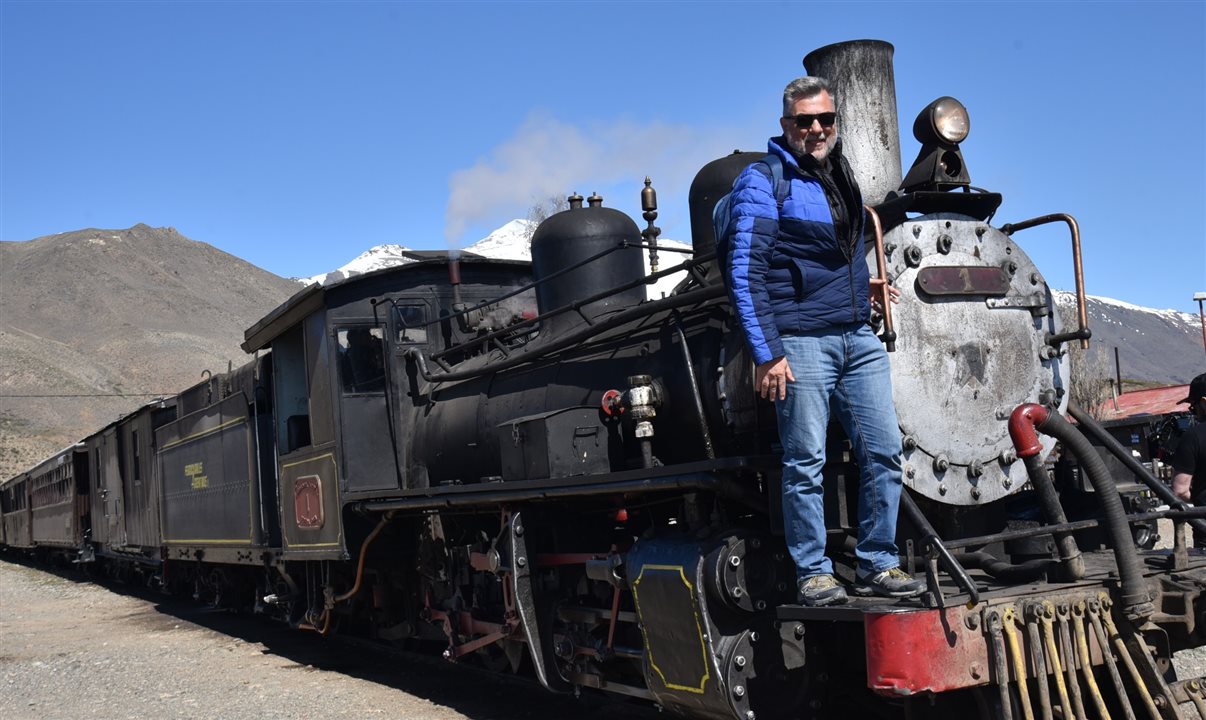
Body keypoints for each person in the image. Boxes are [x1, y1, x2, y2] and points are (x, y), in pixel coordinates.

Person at [725, 76, 923, 606]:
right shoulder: (763, 181)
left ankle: (879, 562)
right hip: (802, 341)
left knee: (883, 451)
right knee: (805, 460)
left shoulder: (840, 173)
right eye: (804, 121)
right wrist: (767, 354)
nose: (815, 129)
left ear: (836, 123)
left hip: (857, 335)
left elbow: (839, 251)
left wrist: (868, 284)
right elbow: (745, 271)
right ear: (785, 124)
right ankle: (813, 571)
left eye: (825, 120)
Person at [1171, 372, 1206, 545]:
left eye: (1193, 406)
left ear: (1204, 403)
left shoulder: (1193, 437)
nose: (1193, 412)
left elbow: (1180, 490)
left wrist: (1200, 498)